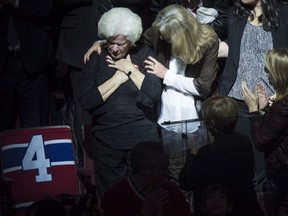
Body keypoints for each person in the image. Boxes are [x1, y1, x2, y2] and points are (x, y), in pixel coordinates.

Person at [83, 4, 219, 185]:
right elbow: (126, 39)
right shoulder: (156, 34)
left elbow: (201, 87)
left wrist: (161, 74)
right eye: (111, 43)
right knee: (172, 176)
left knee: (200, 176)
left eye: (166, 36)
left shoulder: (207, 42)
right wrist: (102, 43)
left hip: (194, 119)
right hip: (163, 122)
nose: (161, 37)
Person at [77, 7, 162, 197]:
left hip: (142, 140)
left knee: (149, 195)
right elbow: (85, 101)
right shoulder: (97, 58)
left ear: (131, 42)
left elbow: (154, 94)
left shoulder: (144, 55)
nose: (114, 48)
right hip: (107, 140)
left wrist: (131, 70)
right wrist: (116, 79)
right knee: (113, 198)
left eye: (120, 44)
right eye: (110, 42)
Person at [216, 0, 288, 191]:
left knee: (265, 167)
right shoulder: (235, 13)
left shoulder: (283, 12)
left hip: (273, 101)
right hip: (238, 100)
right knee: (242, 165)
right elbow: (231, 46)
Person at [179, 95, 264, 216]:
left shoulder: (208, 152)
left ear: (211, 123)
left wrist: (192, 154)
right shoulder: (244, 141)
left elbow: (186, 182)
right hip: (247, 207)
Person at [55, 0, 112, 165]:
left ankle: (110, 161)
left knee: (112, 105)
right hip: (78, 42)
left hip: (117, 32)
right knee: (84, 112)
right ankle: (87, 163)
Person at [241, 48, 288, 216]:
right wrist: (264, 111)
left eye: (269, 70)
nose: (266, 74)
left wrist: (253, 111)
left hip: (283, 178)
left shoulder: (284, 106)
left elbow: (261, 141)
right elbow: (275, 131)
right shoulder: (281, 103)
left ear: (278, 73)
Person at [0, 0, 55, 131]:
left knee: (35, 128)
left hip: (33, 65)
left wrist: (16, 2)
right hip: (2, 66)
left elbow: (47, 8)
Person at [101, 141, 191, 216]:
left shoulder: (172, 192)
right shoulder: (115, 197)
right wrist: (145, 212)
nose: (168, 173)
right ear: (144, 168)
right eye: (163, 168)